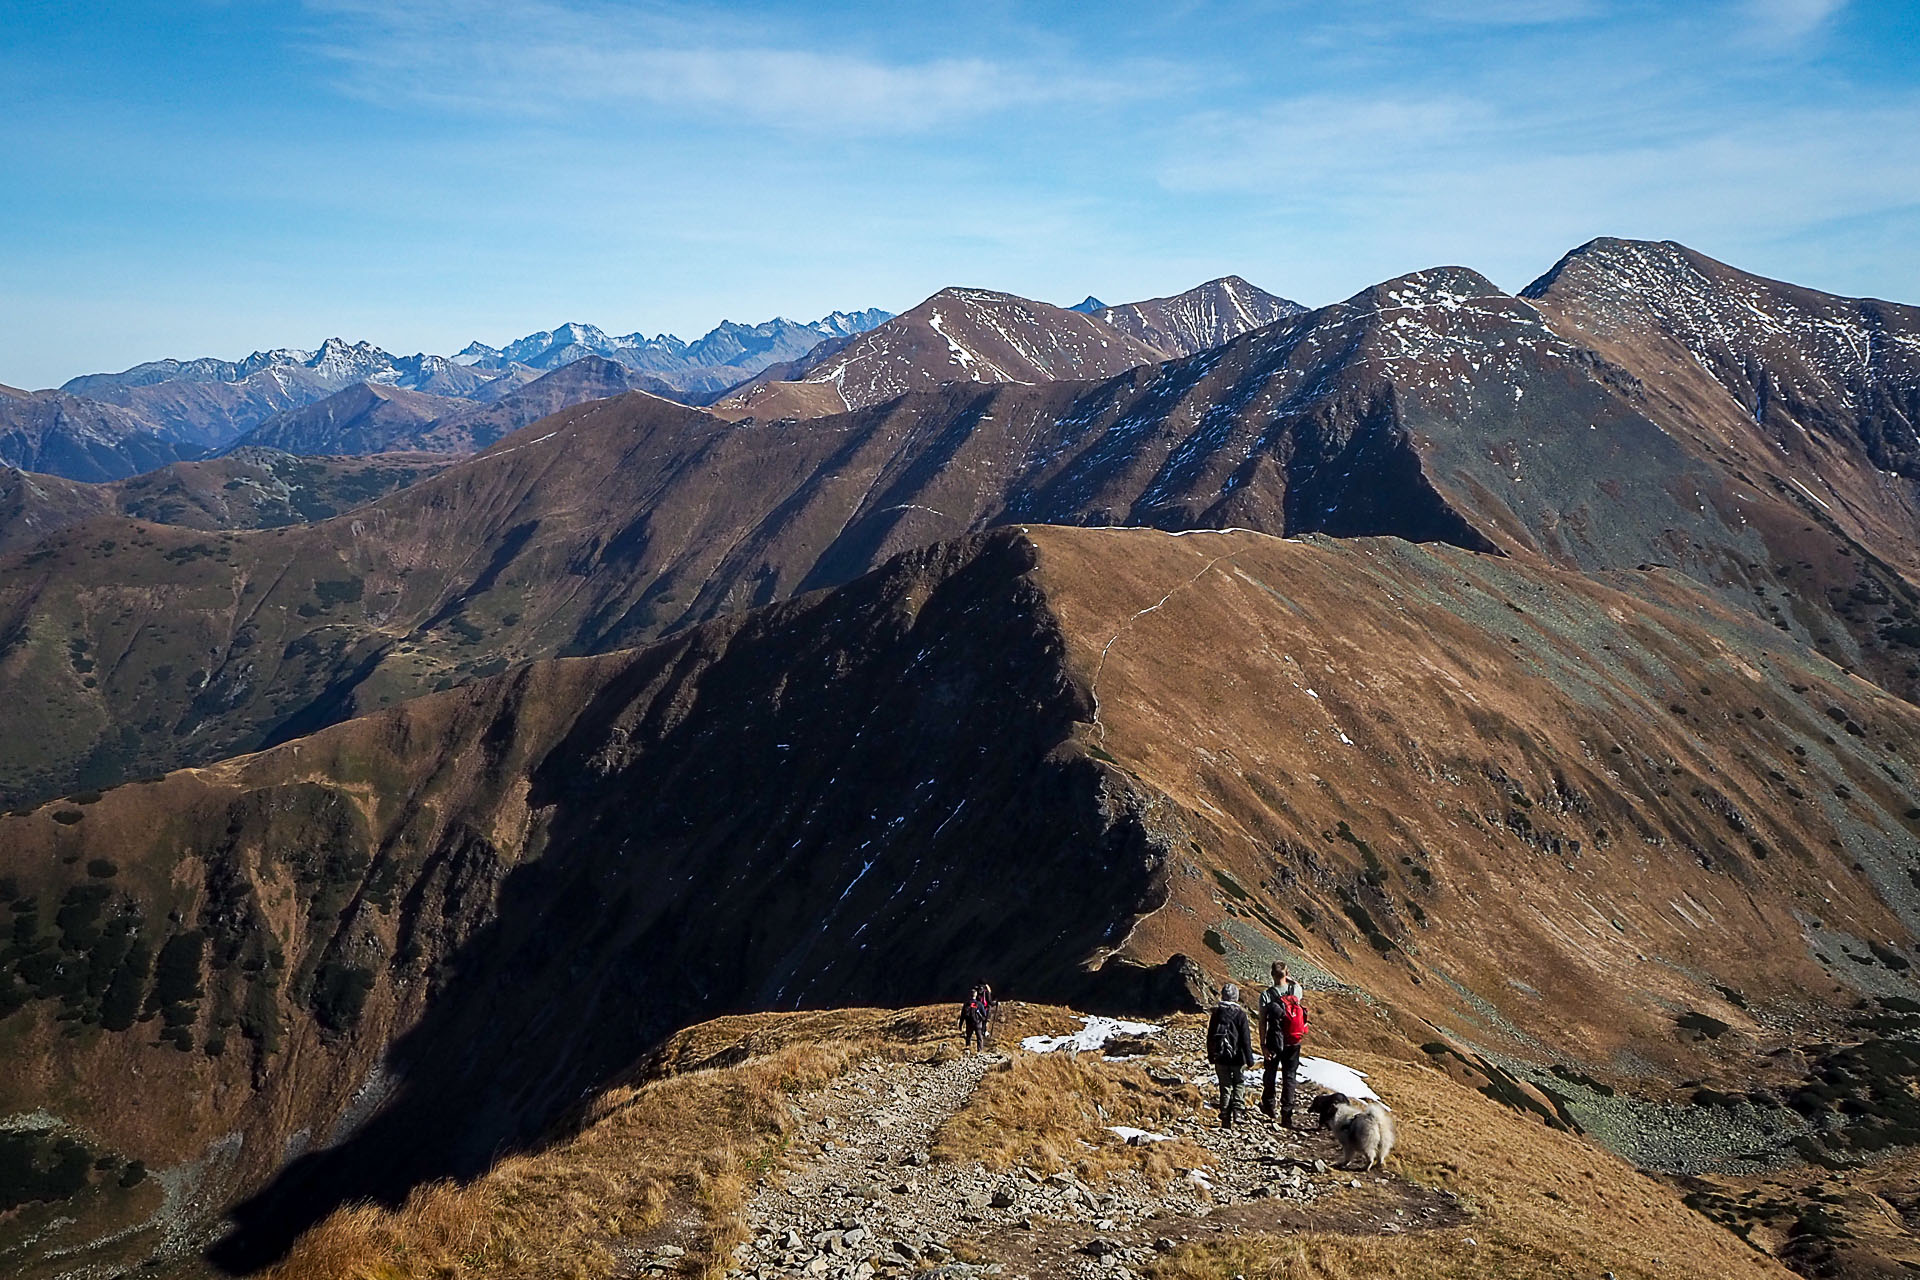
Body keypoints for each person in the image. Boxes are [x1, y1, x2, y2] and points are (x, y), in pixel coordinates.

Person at [1259, 962, 1308, 1127]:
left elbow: (1262, 1022)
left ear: (1272, 974)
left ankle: (1269, 1107)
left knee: (1270, 1073)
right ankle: (1286, 1114)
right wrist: (1289, 978)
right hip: (1293, 1042)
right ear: (1286, 973)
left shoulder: (1266, 996)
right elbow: (1298, 986)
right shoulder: (1295, 991)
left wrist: (1263, 1044)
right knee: (1289, 1076)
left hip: (1274, 1041)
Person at [1206, 983, 1256, 1127]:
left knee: (1225, 1084)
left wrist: (1211, 1054)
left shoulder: (1216, 1013)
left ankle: (1225, 1113)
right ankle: (1238, 1110)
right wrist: (1249, 1058)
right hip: (1238, 1057)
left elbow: (1210, 1036)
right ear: (1236, 997)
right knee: (1239, 1082)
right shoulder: (1240, 1014)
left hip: (1220, 1056)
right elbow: (1246, 1039)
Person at [959, 981, 993, 1052]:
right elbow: (984, 1014)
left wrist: (960, 1025)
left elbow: (962, 1015)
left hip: (969, 1023)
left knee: (968, 1037)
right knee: (979, 1038)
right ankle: (979, 1051)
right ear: (976, 995)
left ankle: (968, 1050)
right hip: (978, 1024)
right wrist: (983, 1021)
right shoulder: (979, 1004)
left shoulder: (966, 1004)